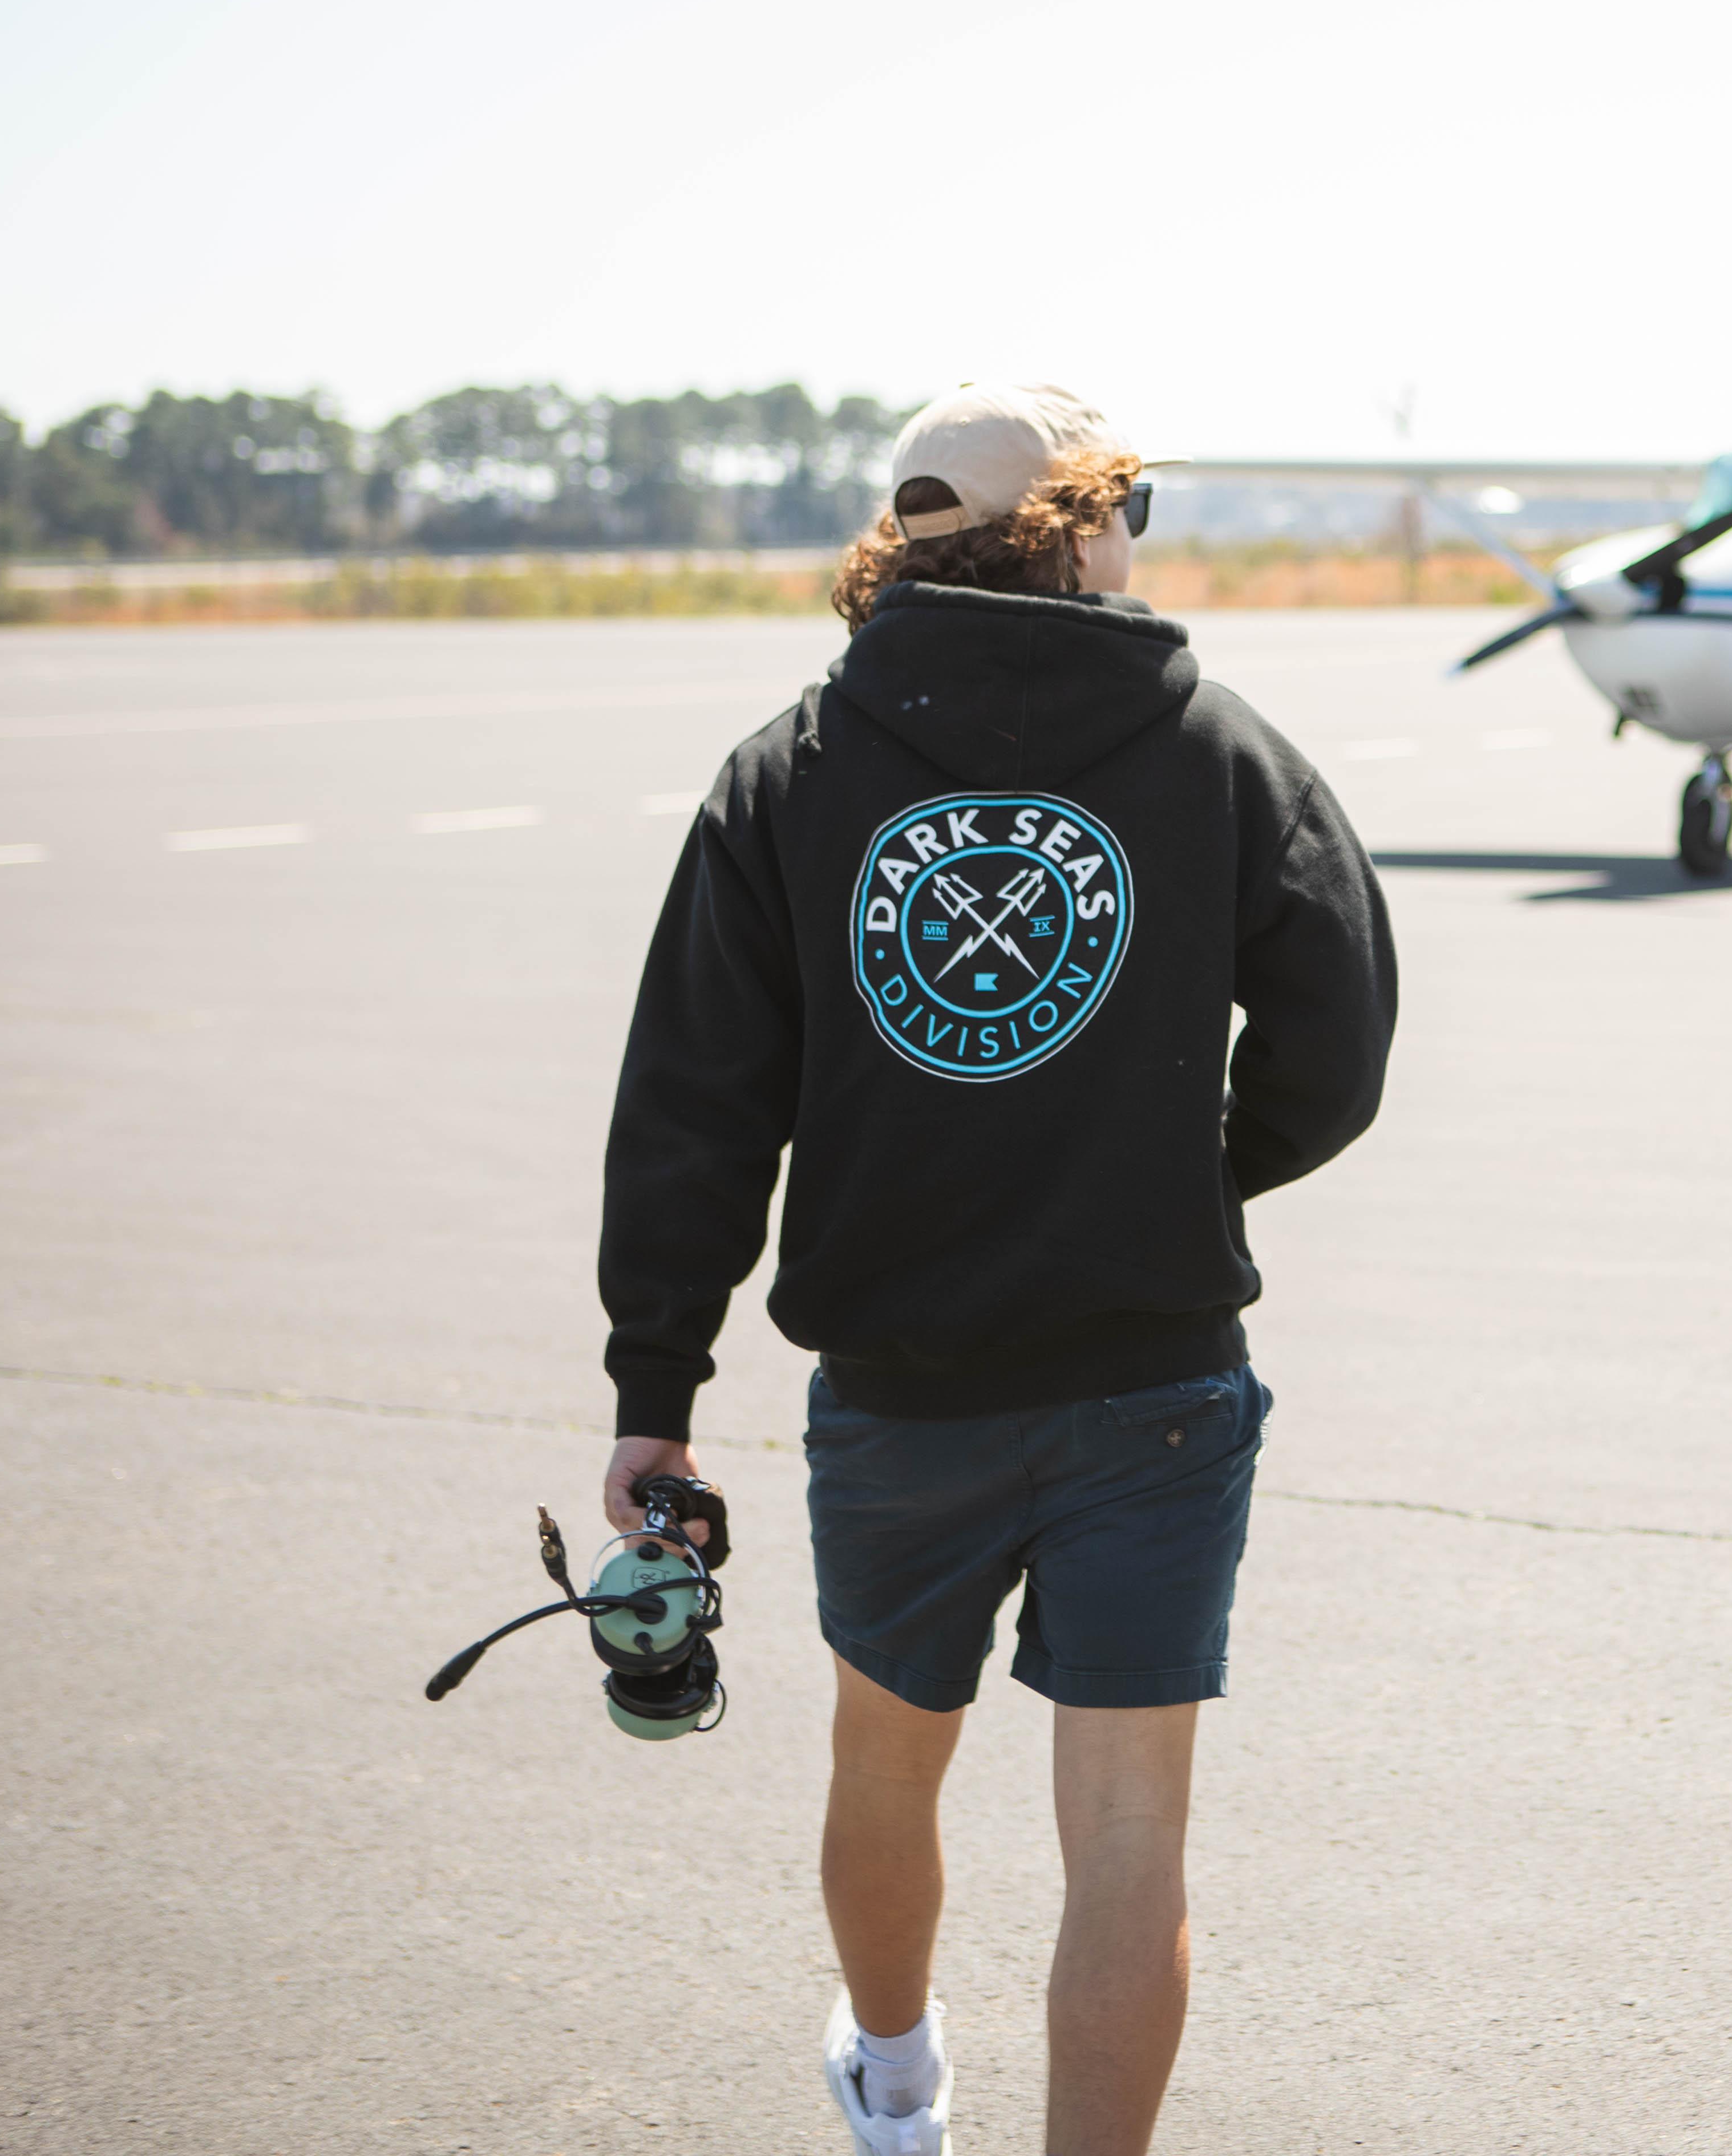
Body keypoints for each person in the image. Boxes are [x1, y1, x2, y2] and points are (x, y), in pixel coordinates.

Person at [593, 383, 1397, 2156]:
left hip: (902, 1390)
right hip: (1158, 1382)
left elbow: (692, 1106)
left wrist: (657, 1391)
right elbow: (1340, 1046)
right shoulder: (1224, 753)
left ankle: (895, 2085)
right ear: (1087, 530)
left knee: (887, 1762)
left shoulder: (792, 771)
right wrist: (1180, 1183)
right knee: (1129, 1837)